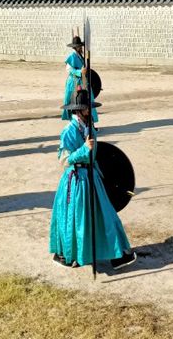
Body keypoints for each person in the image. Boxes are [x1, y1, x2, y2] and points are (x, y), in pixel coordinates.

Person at [50, 89, 136, 270]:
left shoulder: (88, 128)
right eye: (87, 108)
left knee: (105, 215)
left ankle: (118, 254)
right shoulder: (69, 132)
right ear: (78, 110)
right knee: (79, 220)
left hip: (92, 177)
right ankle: (70, 254)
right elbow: (64, 160)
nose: (90, 110)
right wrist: (83, 150)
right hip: (77, 182)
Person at [62, 34, 97, 123]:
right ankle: (74, 120)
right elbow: (69, 69)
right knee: (73, 100)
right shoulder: (72, 56)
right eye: (78, 46)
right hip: (74, 81)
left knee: (88, 99)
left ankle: (89, 121)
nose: (80, 48)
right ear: (75, 47)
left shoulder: (80, 56)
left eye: (80, 46)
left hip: (82, 80)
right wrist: (79, 72)